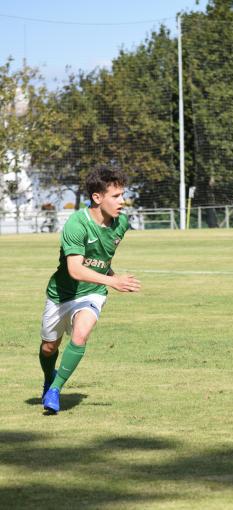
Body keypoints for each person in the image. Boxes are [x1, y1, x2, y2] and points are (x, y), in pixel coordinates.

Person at [39, 165, 141, 413]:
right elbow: (75, 269)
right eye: (116, 196)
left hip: (92, 292)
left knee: (81, 334)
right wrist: (114, 281)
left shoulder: (122, 223)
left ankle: (55, 390)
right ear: (97, 198)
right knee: (49, 347)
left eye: (122, 195)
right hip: (62, 293)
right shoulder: (76, 224)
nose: (122, 201)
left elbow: (101, 259)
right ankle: (48, 377)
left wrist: (110, 276)